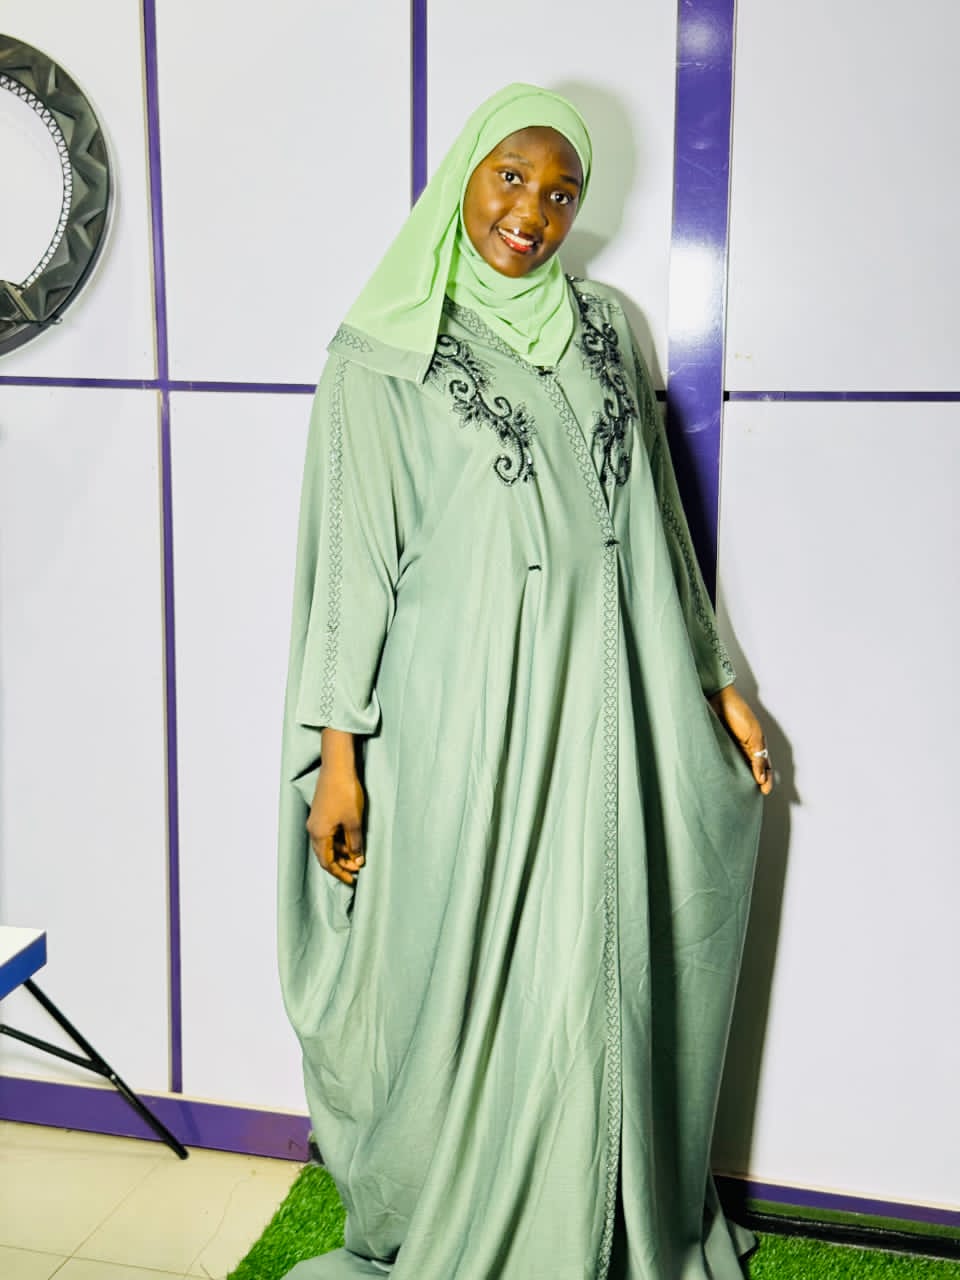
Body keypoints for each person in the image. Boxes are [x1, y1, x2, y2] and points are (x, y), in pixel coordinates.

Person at [278, 83, 771, 1280]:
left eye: (561, 191)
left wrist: (714, 675)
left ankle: (597, 1213)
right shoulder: (383, 346)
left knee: (598, 948)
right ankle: (466, 1205)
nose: (532, 211)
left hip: (613, 700)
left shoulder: (607, 327)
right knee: (468, 956)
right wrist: (339, 757)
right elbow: (353, 565)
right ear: (465, 176)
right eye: (512, 177)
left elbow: (656, 510)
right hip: (465, 713)